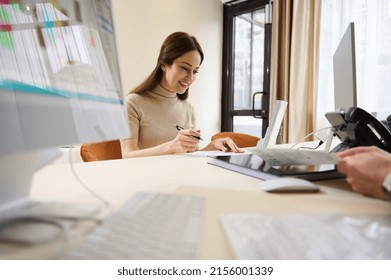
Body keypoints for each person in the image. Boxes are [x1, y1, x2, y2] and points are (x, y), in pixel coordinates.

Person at [120, 32, 244, 158]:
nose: (190, 77)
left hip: (182, 174)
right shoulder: (132, 103)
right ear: (164, 64)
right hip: (147, 176)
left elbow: (190, 155)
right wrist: (171, 147)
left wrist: (212, 147)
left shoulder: (188, 109)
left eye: (195, 71)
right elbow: (127, 155)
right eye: (184, 68)